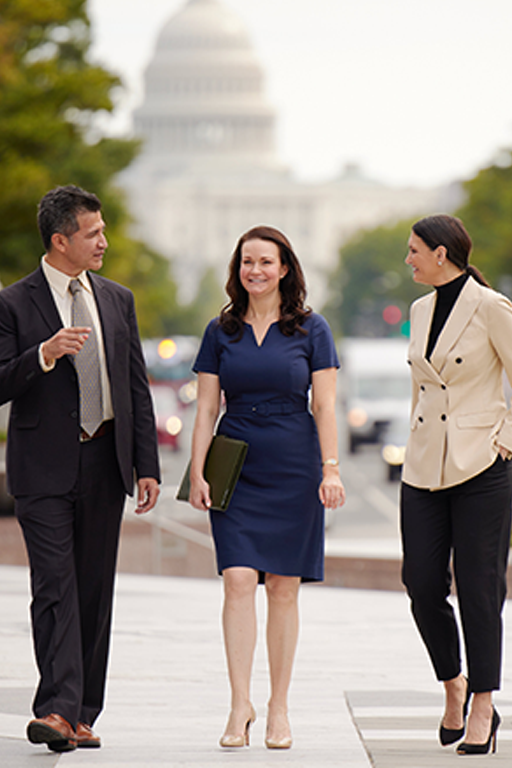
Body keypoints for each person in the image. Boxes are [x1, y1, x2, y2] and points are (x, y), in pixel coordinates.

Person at [0, 184, 160, 753]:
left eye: (102, 230)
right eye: (93, 233)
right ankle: (56, 710)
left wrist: (146, 464)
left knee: (93, 590)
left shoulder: (117, 299)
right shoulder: (11, 305)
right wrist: (44, 353)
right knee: (54, 586)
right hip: (43, 469)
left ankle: (83, 712)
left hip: (105, 461)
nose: (104, 240)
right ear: (60, 241)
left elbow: (135, 386)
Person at [188, 226, 345, 751]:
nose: (255, 270)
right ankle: (240, 703)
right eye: (246, 262)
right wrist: (196, 471)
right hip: (235, 465)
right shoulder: (221, 330)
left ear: (284, 269)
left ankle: (278, 707)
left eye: (265, 262)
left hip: (294, 465)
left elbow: (324, 405)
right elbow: (207, 407)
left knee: (282, 587)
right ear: (237, 270)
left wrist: (331, 468)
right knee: (236, 579)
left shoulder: (311, 329)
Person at [400, 214, 512, 756]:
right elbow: (423, 386)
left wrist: (507, 442)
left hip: (481, 464)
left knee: (480, 588)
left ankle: (483, 701)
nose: (408, 259)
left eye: (414, 250)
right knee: (420, 583)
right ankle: (452, 682)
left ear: (441, 254)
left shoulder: (491, 306)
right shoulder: (418, 310)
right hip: (422, 465)